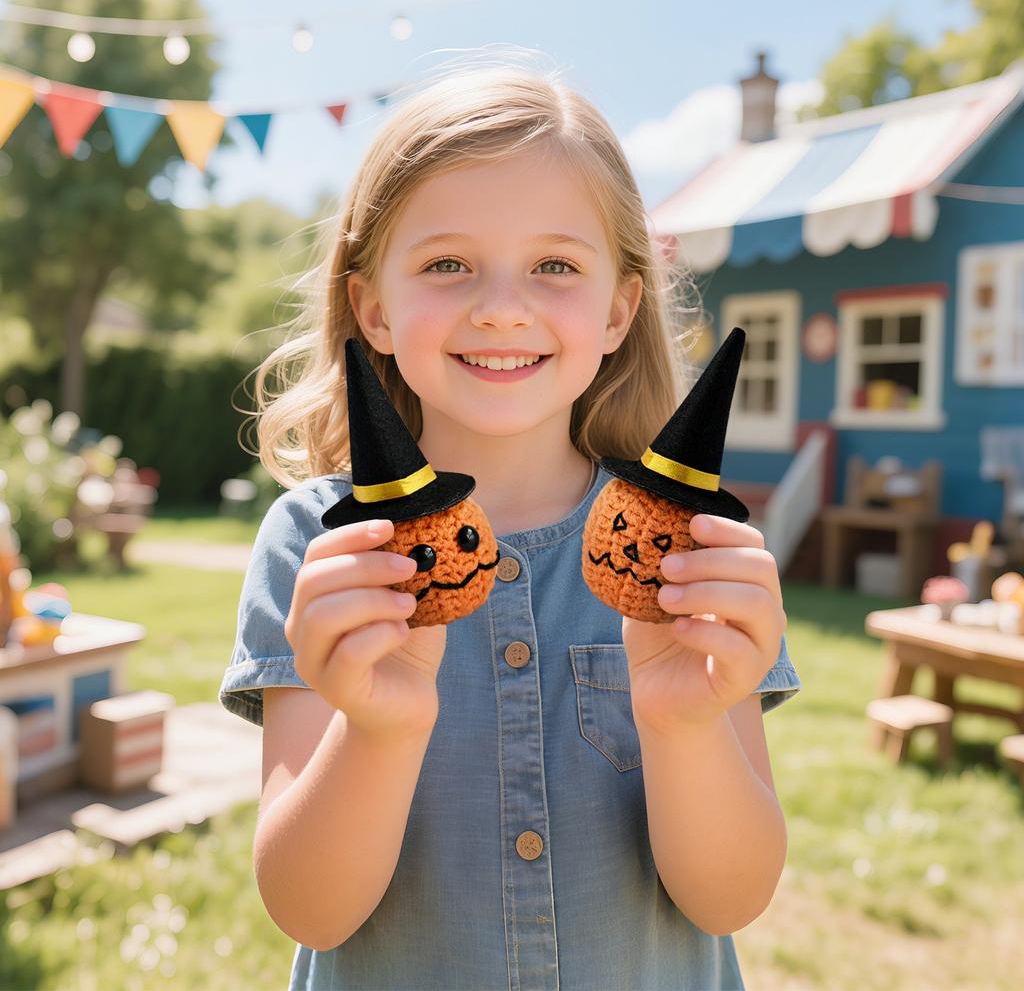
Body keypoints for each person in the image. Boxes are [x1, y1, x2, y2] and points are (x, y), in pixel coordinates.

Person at [218, 56, 802, 991]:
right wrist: (379, 727)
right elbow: (308, 909)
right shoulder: (321, 546)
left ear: (618, 310)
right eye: (447, 264)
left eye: (554, 265)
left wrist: (686, 723)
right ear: (372, 306)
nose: (500, 307)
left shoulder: (685, 551)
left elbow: (730, 901)